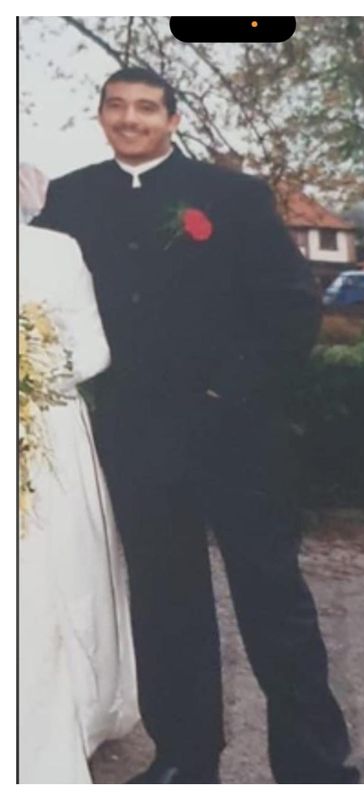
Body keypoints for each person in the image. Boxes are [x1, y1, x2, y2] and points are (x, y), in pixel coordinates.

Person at [33, 67, 357, 784]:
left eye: (146, 107)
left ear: (173, 120)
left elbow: (290, 311)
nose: (130, 119)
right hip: (136, 438)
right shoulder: (71, 198)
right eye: (115, 105)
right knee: (165, 602)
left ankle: (314, 766)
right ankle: (185, 757)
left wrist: (224, 392)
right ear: (100, 115)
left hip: (239, 433)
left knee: (274, 600)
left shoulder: (230, 196)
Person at [18, 168, 140, 783]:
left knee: (48, 573)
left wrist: (29, 374)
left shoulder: (55, 250)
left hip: (45, 434)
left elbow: (95, 350)